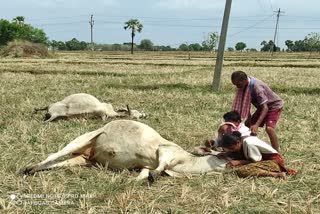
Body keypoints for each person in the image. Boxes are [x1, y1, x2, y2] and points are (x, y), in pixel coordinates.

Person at [231, 70, 283, 151]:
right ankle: (250, 148)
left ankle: (276, 152)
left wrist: (256, 125)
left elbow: (265, 108)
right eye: (235, 85)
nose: (237, 87)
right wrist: (250, 119)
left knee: (269, 128)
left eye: (238, 84)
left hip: (273, 106)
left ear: (244, 80)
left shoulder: (257, 87)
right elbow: (246, 103)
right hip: (261, 107)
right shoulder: (245, 85)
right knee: (247, 125)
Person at [220, 131, 296, 179]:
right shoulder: (242, 142)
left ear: (237, 142)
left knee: (242, 170)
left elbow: (256, 161)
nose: (231, 150)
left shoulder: (248, 143)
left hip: (273, 162)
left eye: (231, 148)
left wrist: (239, 162)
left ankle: (277, 175)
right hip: (266, 161)